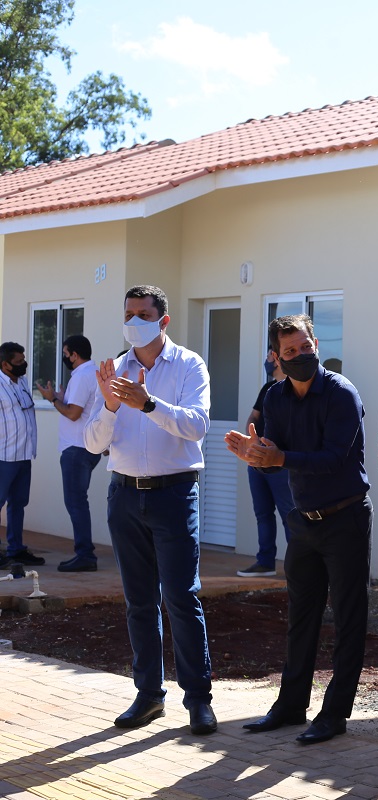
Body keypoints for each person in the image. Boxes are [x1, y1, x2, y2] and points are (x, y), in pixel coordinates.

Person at [227, 314, 372, 746]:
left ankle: (334, 715)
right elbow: (275, 454)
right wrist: (256, 455)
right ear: (277, 356)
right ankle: (291, 706)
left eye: (306, 347)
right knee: (301, 617)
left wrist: (278, 458)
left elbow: (333, 458)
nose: (301, 355)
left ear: (316, 344)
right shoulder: (275, 397)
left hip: (345, 518)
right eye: (290, 351)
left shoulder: (342, 393)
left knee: (348, 619)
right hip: (303, 521)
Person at [84, 285, 216, 735]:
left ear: (163, 321)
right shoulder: (114, 370)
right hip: (124, 496)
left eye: (143, 314)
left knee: (181, 597)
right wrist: (109, 405)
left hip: (173, 494)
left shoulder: (189, 365)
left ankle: (198, 700)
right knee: (139, 602)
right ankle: (148, 696)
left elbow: (197, 426)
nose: (133, 322)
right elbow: (93, 443)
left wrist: (149, 404)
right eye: (128, 314)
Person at [36, 335, 103, 572]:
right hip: (87, 447)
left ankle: (85, 555)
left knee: (75, 502)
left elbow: (73, 414)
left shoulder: (83, 376)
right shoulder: (91, 373)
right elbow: (82, 409)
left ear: (75, 355)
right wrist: (62, 398)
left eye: (66, 354)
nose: (64, 358)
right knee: (78, 501)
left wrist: (52, 399)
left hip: (77, 448)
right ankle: (84, 553)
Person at [235, 352, 295, 577]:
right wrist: (253, 441)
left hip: (280, 464)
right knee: (262, 512)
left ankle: (297, 567)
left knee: (290, 515)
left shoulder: (295, 390)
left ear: (278, 359)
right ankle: (265, 562)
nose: (268, 360)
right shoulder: (268, 389)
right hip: (256, 461)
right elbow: (253, 416)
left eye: (271, 355)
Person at [0, 342, 41, 569]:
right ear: (5, 364)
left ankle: (16, 549)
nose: (23, 364)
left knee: (18, 504)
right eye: (18, 362)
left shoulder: (22, 382)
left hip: (24, 454)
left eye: (23, 360)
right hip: (3, 456)